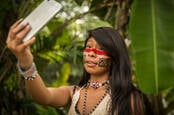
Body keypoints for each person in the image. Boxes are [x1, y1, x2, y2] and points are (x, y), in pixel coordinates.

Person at [6, 19, 154, 115]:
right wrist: (25, 61)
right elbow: (43, 97)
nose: (91, 54)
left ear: (114, 56)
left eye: (100, 49)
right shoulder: (73, 93)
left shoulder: (130, 99)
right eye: (88, 47)